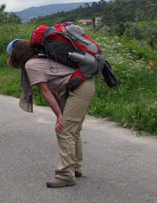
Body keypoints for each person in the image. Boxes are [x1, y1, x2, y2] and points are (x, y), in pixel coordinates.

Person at [7, 39, 95, 188]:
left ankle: (66, 175)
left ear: (16, 55)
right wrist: (59, 113)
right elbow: (52, 90)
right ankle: (75, 167)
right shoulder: (42, 58)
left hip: (78, 89)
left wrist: (60, 116)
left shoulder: (31, 65)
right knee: (73, 130)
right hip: (84, 85)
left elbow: (45, 91)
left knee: (64, 130)